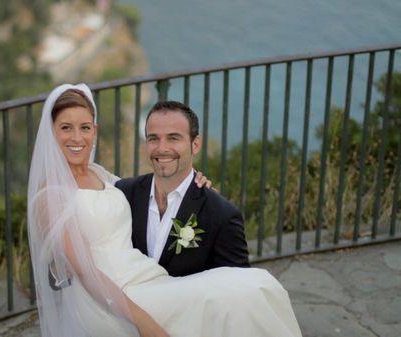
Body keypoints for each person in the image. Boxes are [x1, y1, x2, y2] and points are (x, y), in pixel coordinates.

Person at [27, 83, 302, 337]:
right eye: (66, 128)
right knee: (243, 294)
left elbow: (151, 191)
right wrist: (146, 325)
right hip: (112, 300)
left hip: (149, 281)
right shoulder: (51, 197)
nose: (77, 137)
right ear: (51, 133)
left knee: (254, 288)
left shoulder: (104, 178)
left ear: (94, 131)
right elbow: (85, 273)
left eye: (85, 127)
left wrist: (199, 187)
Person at [115, 101, 249, 276]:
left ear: (195, 144)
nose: (162, 148)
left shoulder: (221, 215)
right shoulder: (123, 194)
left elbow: (239, 287)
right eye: (153, 138)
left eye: (173, 138)